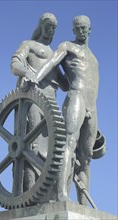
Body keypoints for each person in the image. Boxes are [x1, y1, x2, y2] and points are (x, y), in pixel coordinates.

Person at [36, 15, 99, 206]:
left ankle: (83, 205)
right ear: (73, 30)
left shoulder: (94, 58)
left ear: (90, 30)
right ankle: (62, 194)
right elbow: (53, 63)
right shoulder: (66, 46)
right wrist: (35, 77)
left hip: (92, 106)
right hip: (76, 97)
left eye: (84, 27)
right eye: (77, 27)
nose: (81, 30)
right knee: (69, 144)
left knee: (86, 157)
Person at [11, 13, 68, 192]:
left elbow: (65, 84)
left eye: (54, 27)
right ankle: (29, 191)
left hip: (51, 103)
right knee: (31, 145)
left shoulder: (54, 55)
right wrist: (27, 73)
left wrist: (70, 64)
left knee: (52, 148)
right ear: (41, 26)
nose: (51, 30)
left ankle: (46, 193)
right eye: (48, 25)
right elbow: (14, 64)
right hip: (33, 98)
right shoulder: (28, 45)